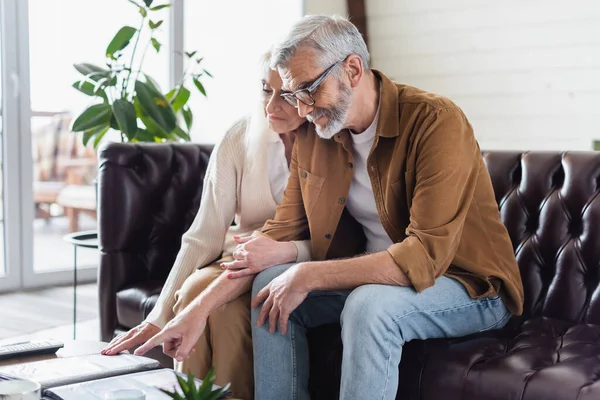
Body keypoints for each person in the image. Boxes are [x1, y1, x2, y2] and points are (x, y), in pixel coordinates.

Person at [242, 15, 525, 400]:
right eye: (294, 95)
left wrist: (308, 274)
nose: (303, 109)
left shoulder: (436, 121)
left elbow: (423, 257)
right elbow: (281, 230)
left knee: (367, 306)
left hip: (469, 285)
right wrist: (192, 309)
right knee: (268, 287)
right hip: (378, 279)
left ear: (353, 69)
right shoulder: (318, 133)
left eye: (308, 89)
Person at [101, 51, 311, 400]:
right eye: (264, 89)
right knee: (191, 292)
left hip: (295, 261)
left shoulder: (329, 142)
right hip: (239, 258)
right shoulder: (240, 137)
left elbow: (334, 235)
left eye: (286, 93)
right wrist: (158, 314)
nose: (272, 105)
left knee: (229, 316)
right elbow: (203, 236)